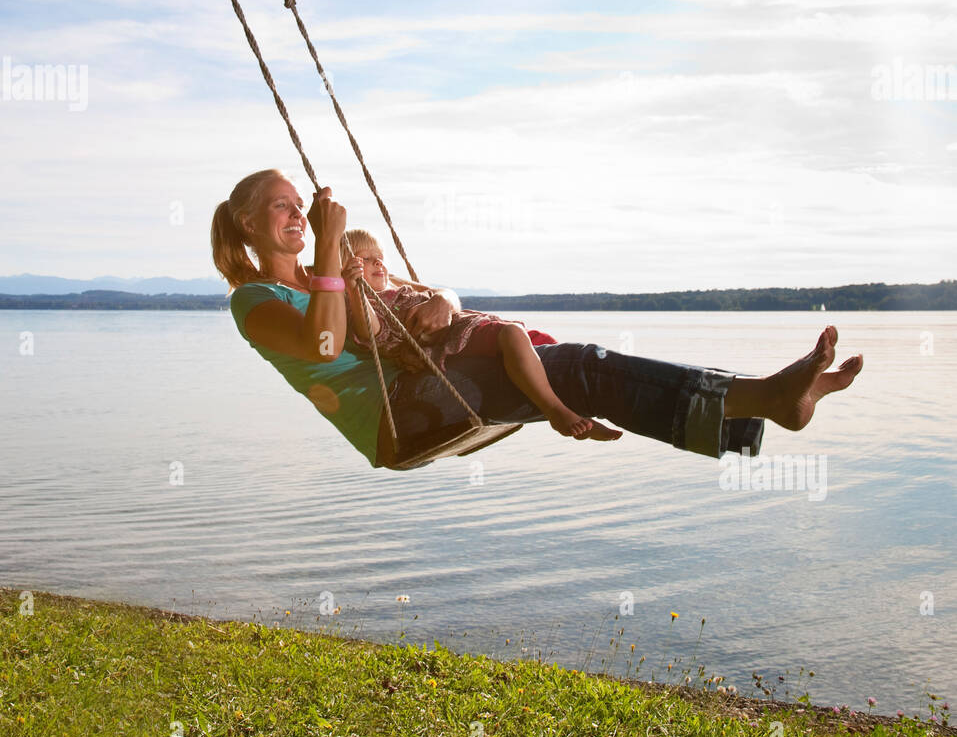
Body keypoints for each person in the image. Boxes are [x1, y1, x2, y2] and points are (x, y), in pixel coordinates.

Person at [211, 169, 864, 471]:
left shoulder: (343, 271)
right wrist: (330, 243)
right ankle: (765, 400)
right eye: (279, 207)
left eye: (301, 205)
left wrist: (437, 295)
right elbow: (324, 346)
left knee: (584, 372)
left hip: (425, 388)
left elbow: (414, 296)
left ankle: (756, 408)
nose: (296, 214)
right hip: (396, 417)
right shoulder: (255, 302)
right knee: (577, 370)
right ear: (248, 224)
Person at [339, 227, 623, 442]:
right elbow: (369, 330)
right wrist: (354, 288)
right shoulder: (367, 304)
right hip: (451, 341)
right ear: (348, 269)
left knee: (545, 347)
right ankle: (555, 411)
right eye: (367, 259)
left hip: (465, 325)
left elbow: (439, 294)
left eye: (381, 259)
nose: (379, 264)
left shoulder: (397, 288)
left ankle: (575, 409)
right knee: (512, 335)